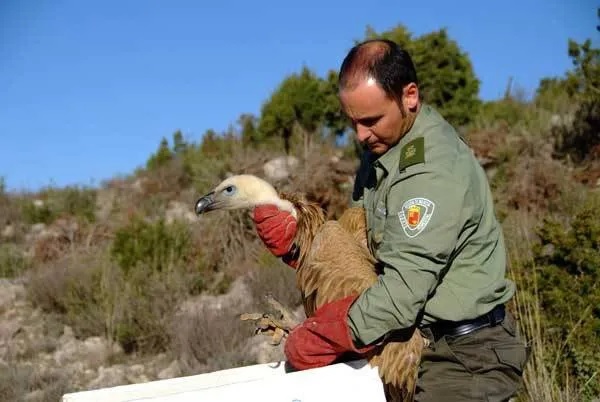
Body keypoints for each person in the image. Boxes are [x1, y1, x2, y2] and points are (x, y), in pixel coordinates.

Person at [251, 39, 529, 401]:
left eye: (370, 121)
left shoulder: (430, 171)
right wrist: (304, 244)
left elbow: (401, 294)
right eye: (352, 122)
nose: (360, 135)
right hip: (410, 341)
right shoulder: (383, 150)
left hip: (466, 356)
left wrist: (328, 333)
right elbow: (360, 244)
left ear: (409, 96)